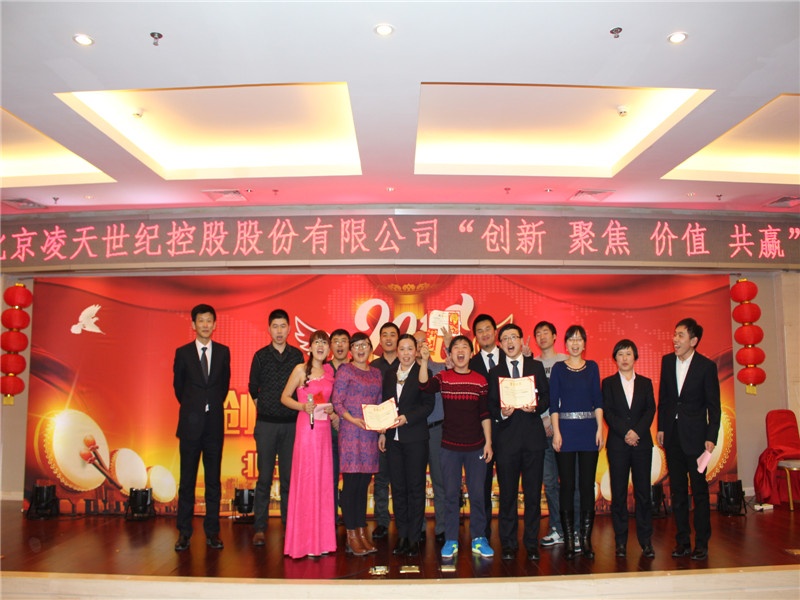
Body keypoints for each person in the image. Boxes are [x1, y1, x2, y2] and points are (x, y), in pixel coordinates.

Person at [420, 335, 494, 560]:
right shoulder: (443, 377)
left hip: (476, 446)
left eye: (465, 347)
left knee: (478, 494)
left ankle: (479, 538)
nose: (460, 351)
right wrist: (424, 360)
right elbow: (424, 386)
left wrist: (489, 442)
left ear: (471, 353)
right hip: (449, 447)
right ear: (450, 354)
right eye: (456, 348)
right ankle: (451, 539)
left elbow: (484, 414)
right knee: (451, 495)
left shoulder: (480, 380)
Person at [657, 318, 721, 561]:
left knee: (700, 491)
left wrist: (711, 436)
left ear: (693, 341)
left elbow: (714, 406)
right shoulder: (667, 361)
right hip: (672, 435)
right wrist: (661, 427)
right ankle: (682, 541)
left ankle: (702, 543)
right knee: (678, 491)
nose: (675, 339)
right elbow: (664, 398)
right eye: (675, 334)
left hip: (696, 438)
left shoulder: (706, 366)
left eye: (681, 335)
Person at [488, 323, 550, 561]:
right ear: (500, 344)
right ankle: (509, 543)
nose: (510, 341)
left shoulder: (535, 366)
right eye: (505, 338)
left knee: (533, 495)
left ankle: (531, 543)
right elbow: (491, 404)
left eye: (513, 337)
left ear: (521, 340)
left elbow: (546, 397)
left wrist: (536, 407)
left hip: (533, 440)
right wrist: (502, 412)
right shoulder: (495, 372)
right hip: (506, 442)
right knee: (508, 495)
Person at [172, 304, 231, 552]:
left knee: (213, 482)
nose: (205, 325)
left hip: (214, 426)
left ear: (215, 325)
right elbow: (178, 388)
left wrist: (209, 406)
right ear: (193, 325)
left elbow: (223, 386)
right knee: (187, 481)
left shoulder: (223, 352)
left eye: (209, 321)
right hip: (190, 426)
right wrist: (194, 407)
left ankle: (212, 532)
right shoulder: (183, 353)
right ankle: (184, 532)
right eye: (201, 321)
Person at [281, 330, 339, 559]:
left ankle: (322, 541)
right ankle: (303, 542)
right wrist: (302, 407)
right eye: (317, 343)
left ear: (328, 349)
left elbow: (330, 400)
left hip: (324, 431)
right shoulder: (300, 370)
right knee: (306, 479)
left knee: (323, 482)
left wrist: (332, 409)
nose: (321, 346)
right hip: (306, 429)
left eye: (324, 343)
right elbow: (284, 397)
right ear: (310, 347)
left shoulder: (329, 372)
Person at [248, 309, 304, 546]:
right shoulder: (260, 356)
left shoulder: (297, 355)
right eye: (275, 326)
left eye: (283, 326)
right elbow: (253, 388)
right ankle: (260, 528)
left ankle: (289, 526)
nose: (279, 331)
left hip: (292, 425)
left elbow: (303, 387)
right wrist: (266, 408)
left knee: (289, 479)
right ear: (269, 329)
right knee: (264, 479)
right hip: (267, 426)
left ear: (289, 329)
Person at [550, 324, 604, 559]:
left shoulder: (592, 367)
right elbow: (553, 404)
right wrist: (556, 432)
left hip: (589, 430)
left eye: (579, 339)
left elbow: (598, 400)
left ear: (584, 344)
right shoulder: (558, 368)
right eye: (571, 339)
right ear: (565, 344)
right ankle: (570, 540)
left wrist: (600, 429)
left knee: (586, 486)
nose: (575, 343)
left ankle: (585, 539)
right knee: (567, 486)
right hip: (566, 431)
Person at [379, 334, 435, 557]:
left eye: (410, 348)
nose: (405, 353)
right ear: (397, 351)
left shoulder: (424, 372)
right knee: (398, 488)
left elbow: (428, 406)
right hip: (393, 439)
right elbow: (385, 404)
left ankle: (414, 537)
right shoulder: (389, 374)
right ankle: (402, 535)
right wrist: (383, 432)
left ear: (416, 351)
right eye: (402, 349)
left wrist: (407, 418)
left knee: (415, 488)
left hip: (415, 439)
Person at [602, 339, 656, 559]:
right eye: (620, 354)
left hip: (642, 444)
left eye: (628, 354)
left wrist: (636, 433)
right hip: (618, 444)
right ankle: (621, 542)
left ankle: (646, 541)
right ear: (615, 358)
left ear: (635, 358)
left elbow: (650, 410)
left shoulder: (645, 383)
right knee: (619, 494)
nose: (624, 358)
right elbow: (608, 412)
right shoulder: (608, 383)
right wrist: (626, 432)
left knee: (643, 494)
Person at [332, 331, 383, 556]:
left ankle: (362, 532)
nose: (361, 349)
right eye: (356, 346)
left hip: (370, 434)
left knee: (364, 486)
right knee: (352, 485)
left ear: (370, 348)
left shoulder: (376, 373)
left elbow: (379, 403)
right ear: (351, 351)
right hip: (351, 432)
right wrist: (353, 420)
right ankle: (351, 535)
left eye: (365, 345)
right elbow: (337, 402)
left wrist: (381, 428)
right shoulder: (345, 370)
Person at [533, 321, 578, 551]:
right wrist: (543, 421)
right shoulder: (532, 364)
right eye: (538, 334)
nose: (542, 337)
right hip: (540, 432)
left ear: (554, 336)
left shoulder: (566, 361)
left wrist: (552, 420)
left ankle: (574, 529)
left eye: (546, 333)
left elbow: (570, 395)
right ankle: (557, 528)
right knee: (549, 482)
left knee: (570, 482)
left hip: (564, 430)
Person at [468, 314, 505, 541]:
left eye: (488, 329)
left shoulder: (512, 356)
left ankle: (508, 535)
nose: (484, 334)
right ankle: (482, 533)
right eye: (479, 331)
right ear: (475, 337)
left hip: (509, 431)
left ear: (495, 331)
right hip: (481, 433)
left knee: (508, 484)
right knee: (481, 485)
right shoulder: (470, 363)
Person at [414, 330, 447, 544]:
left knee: (440, 480)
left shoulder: (441, 369)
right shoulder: (406, 370)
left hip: (436, 430)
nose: (419, 346)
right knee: (416, 481)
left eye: (423, 342)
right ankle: (418, 527)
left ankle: (442, 527)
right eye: (415, 342)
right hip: (414, 431)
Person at [369, 322, 400, 540]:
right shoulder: (373, 367)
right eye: (385, 335)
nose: (388, 338)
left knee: (400, 479)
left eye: (392, 335)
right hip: (377, 430)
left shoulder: (406, 362)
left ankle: (403, 521)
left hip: (400, 429)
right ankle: (381, 521)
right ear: (379, 340)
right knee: (380, 479)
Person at [329, 328, 351, 519]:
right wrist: (332, 415)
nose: (340, 345)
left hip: (352, 434)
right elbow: (316, 395)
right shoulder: (323, 369)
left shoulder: (357, 368)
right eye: (336, 341)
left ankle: (351, 519)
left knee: (352, 480)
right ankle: (331, 519)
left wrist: (343, 417)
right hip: (328, 434)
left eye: (344, 341)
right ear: (330, 346)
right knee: (330, 478)